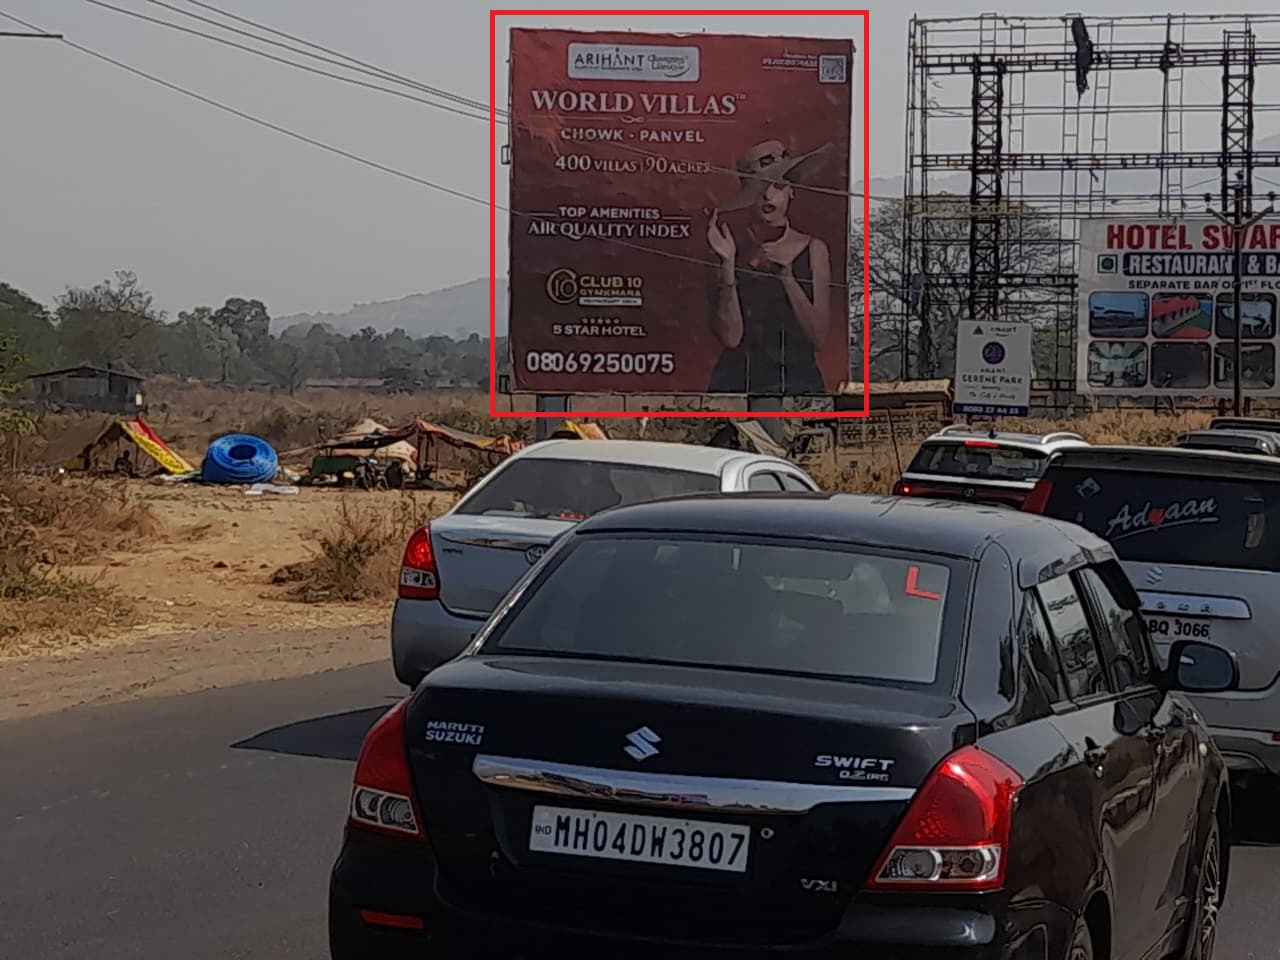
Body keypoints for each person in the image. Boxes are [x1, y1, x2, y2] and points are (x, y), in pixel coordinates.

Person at [705, 140, 835, 394]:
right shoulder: (726, 247)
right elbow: (731, 337)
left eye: (778, 185)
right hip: (737, 386)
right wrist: (728, 267)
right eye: (759, 187)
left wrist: (786, 278)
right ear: (747, 196)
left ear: (791, 191)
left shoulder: (814, 249)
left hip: (798, 384)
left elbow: (819, 336)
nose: (768, 195)